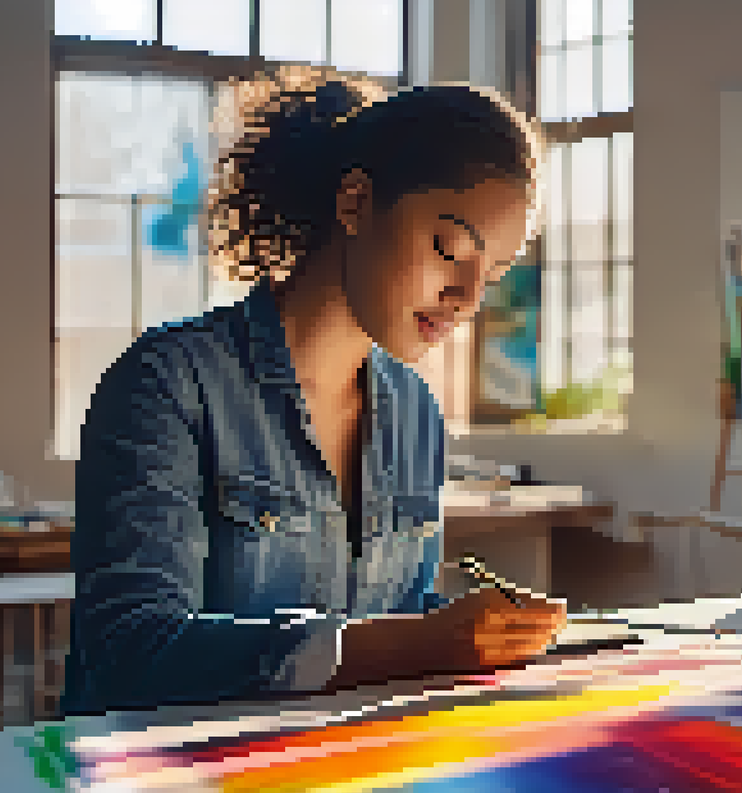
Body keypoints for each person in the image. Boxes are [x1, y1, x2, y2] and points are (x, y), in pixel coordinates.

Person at [63, 67, 566, 714]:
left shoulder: (414, 412)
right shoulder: (169, 383)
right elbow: (132, 651)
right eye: (448, 249)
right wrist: (418, 642)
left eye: (490, 276)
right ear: (355, 202)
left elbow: (392, 618)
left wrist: (485, 631)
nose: (466, 300)